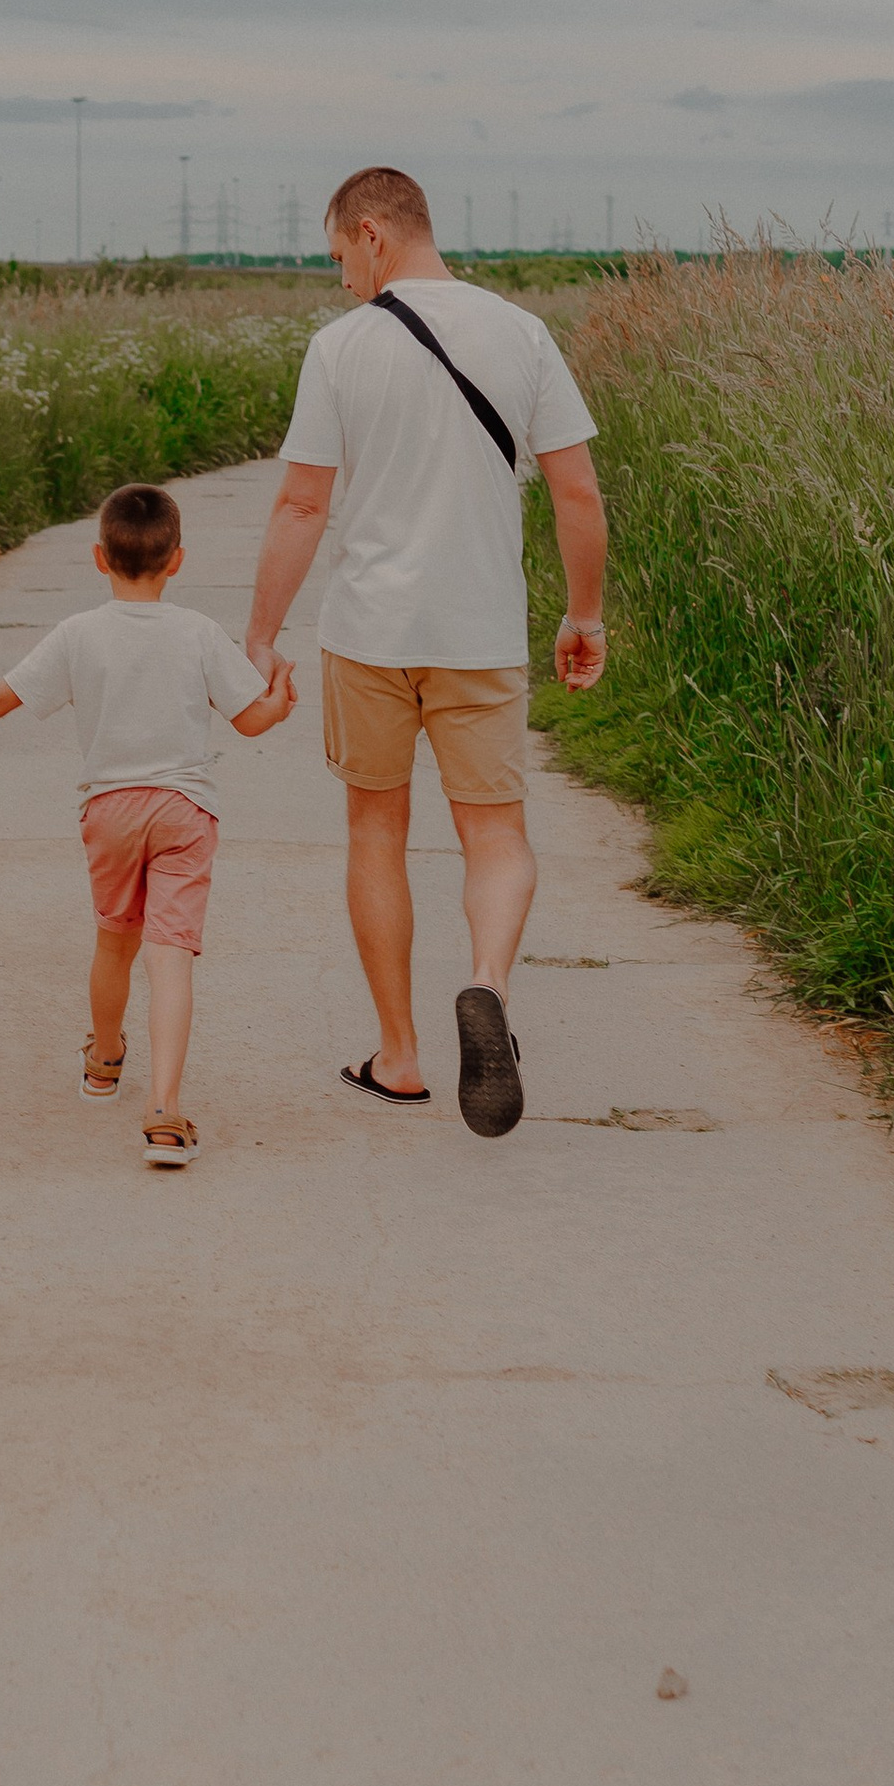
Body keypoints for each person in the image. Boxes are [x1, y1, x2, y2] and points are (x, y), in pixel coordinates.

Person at [242, 165, 608, 1137]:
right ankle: (484, 983)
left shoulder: (341, 347)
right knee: (496, 836)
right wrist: (584, 616)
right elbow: (576, 492)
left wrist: (261, 635)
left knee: (375, 832)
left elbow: (302, 503)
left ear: (373, 233)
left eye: (338, 258)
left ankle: (399, 1057)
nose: (341, 280)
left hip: (369, 633)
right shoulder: (521, 332)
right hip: (478, 631)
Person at [0, 481, 296, 1166]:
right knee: (170, 957)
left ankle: (104, 1061)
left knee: (114, 944)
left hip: (111, 812)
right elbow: (250, 719)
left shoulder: (78, 634)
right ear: (178, 560)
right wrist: (278, 700)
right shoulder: (197, 632)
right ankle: (164, 1110)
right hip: (184, 811)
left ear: (99, 558)